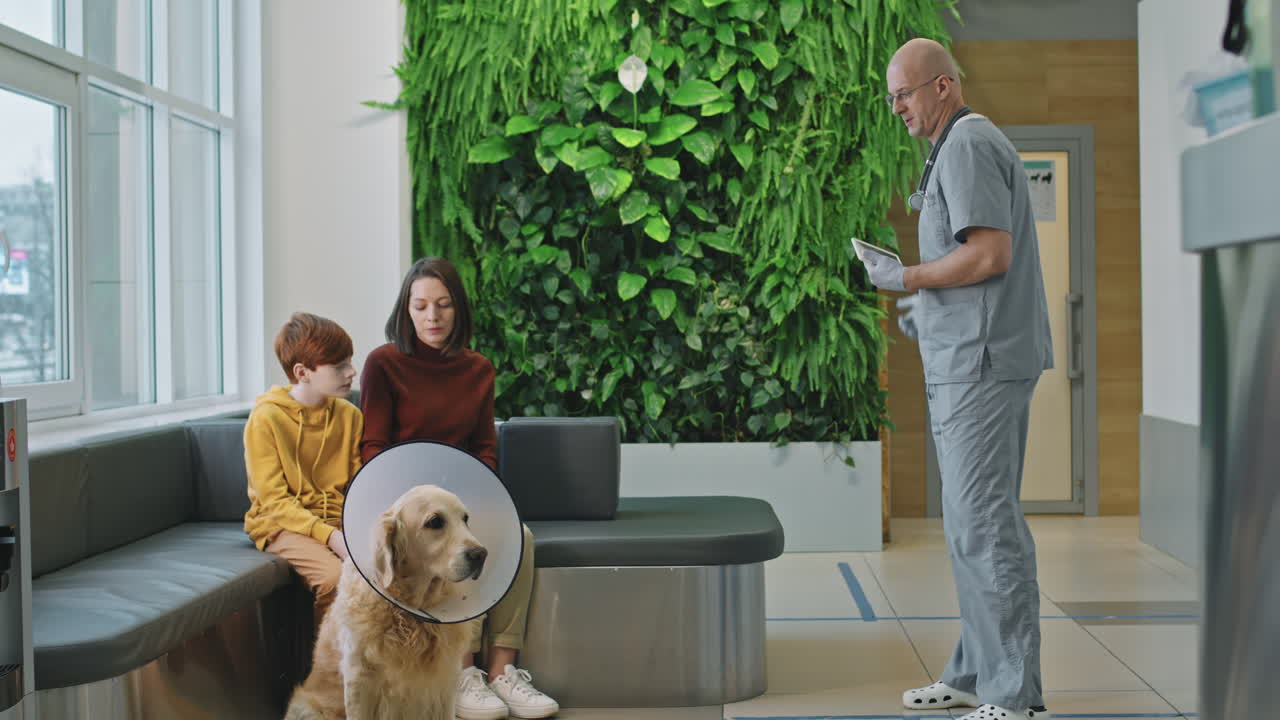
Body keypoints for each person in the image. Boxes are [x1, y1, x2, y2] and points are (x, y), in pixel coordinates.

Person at [863, 39, 1055, 720]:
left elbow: (989, 253)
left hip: (983, 364)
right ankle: (975, 675)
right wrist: (930, 307)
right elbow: (970, 263)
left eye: (905, 93)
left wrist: (907, 278)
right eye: (892, 96)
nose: (898, 108)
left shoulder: (969, 143)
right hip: (966, 356)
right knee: (965, 526)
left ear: (942, 86)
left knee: (985, 527)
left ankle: (1013, 694)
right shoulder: (951, 148)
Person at [360, 257, 559, 720]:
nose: (432, 317)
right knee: (450, 546)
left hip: (464, 500)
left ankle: (504, 671)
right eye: (422, 306)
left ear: (458, 310)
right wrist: (413, 504)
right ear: (406, 310)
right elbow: (373, 447)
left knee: (521, 538)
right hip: (409, 506)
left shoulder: (478, 369)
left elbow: (485, 448)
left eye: (444, 305)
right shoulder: (382, 364)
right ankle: (463, 670)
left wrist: (476, 493)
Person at [244, 312, 362, 626]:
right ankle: (331, 670)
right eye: (339, 366)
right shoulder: (266, 418)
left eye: (349, 361)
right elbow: (275, 502)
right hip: (281, 524)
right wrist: (332, 537)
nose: (352, 372)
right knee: (336, 578)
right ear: (302, 372)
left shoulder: (349, 415)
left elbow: (358, 484)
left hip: (336, 520)